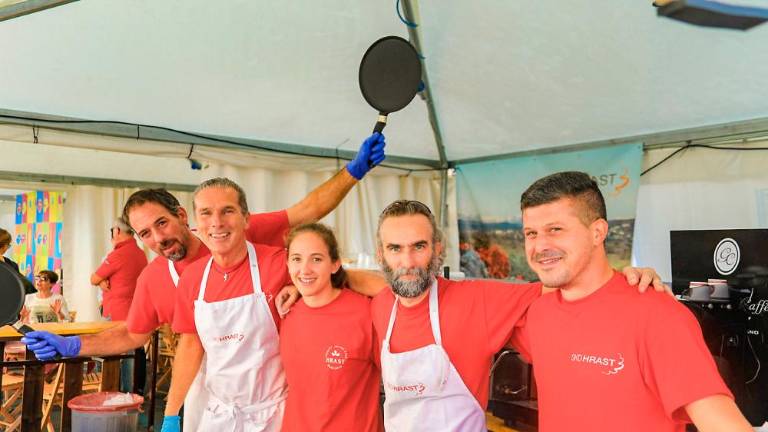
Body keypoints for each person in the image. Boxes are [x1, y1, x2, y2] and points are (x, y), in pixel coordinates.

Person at [20, 132, 387, 431]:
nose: (158, 239)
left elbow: (308, 211)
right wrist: (74, 345)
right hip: (211, 396)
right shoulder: (161, 278)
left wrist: (353, 171)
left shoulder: (243, 237)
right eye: (145, 233)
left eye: (162, 224)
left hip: (272, 401)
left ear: (183, 216)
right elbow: (141, 335)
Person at [367, 200, 667, 431]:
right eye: (395, 248)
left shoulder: (475, 300)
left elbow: (563, 286)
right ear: (381, 255)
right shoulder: (379, 306)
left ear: (437, 249)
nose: (407, 261)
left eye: (419, 246)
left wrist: (624, 278)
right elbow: (346, 277)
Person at [508, 171, 752, 432]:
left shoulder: (657, 314)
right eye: (531, 233)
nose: (540, 246)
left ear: (598, 232)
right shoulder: (537, 313)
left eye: (555, 229)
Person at [279, 223, 382, 432]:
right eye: (297, 259)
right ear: (288, 263)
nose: (305, 269)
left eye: (316, 259)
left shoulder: (365, 313)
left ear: (335, 264)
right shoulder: (285, 311)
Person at [90, 218, 148, 393]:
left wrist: (100, 281)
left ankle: (117, 394)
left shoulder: (118, 254)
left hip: (116, 312)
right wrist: (102, 281)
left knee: (114, 355)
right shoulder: (140, 253)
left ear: (117, 231)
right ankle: (130, 394)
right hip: (135, 310)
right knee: (131, 354)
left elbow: (93, 278)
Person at [0, 227, 36, 294]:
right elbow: (25, 287)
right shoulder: (11, 266)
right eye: (8, 245)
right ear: (4, 246)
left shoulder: (11, 265)